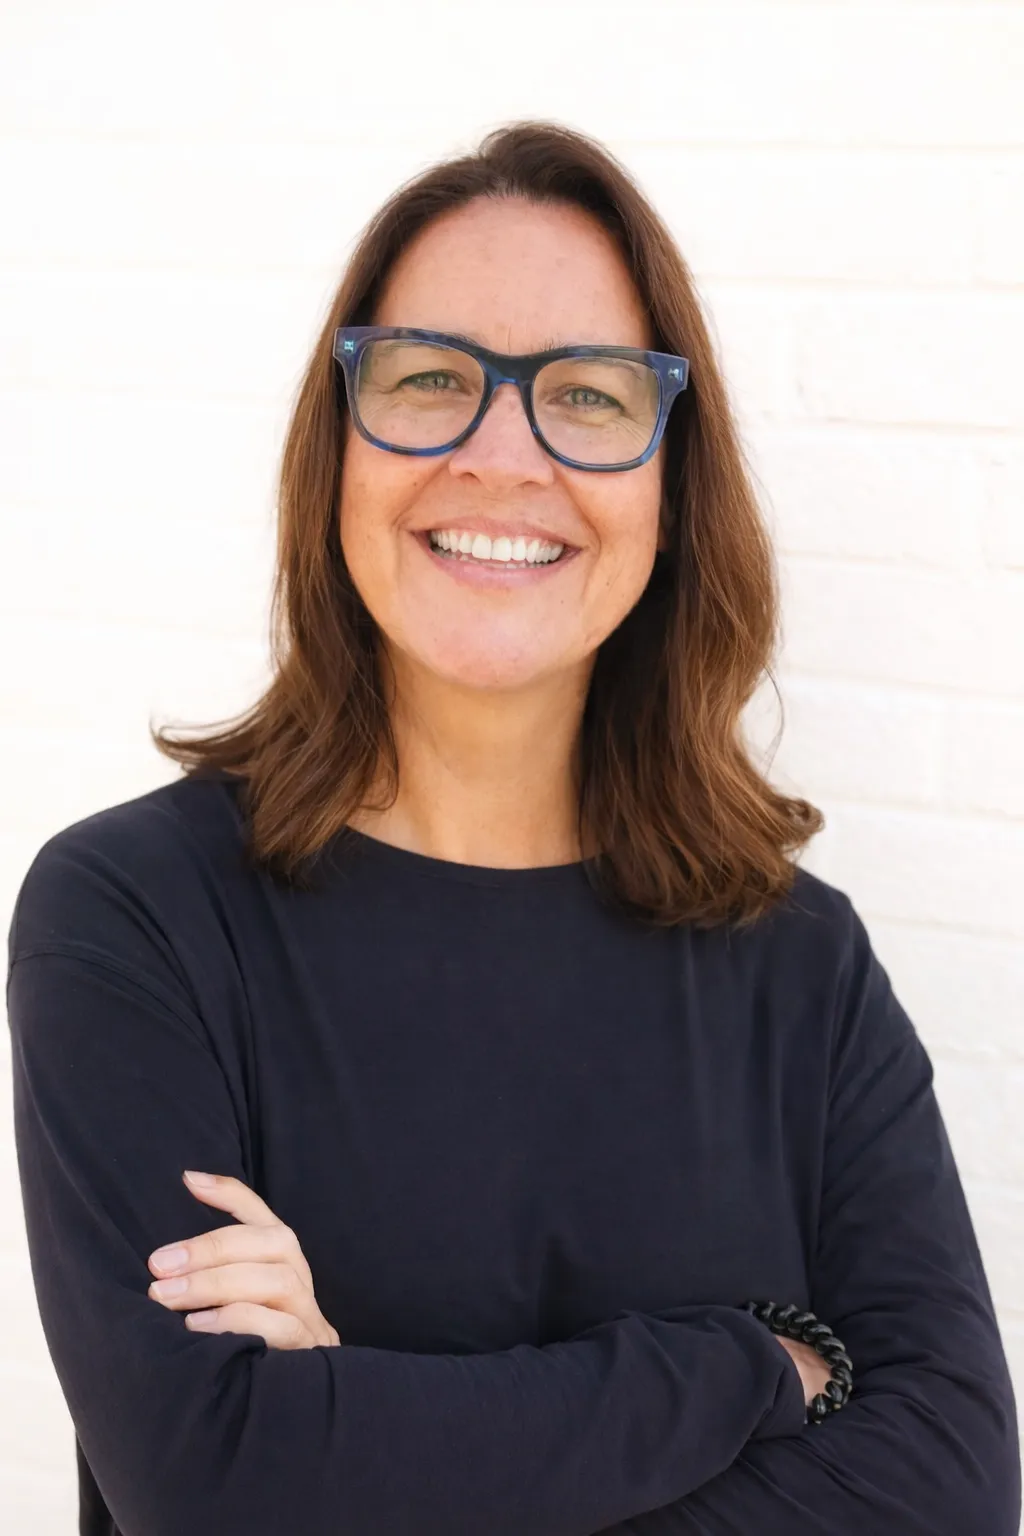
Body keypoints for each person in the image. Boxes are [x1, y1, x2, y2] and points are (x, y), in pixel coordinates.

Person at [6, 119, 1020, 1536]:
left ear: (670, 485)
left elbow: (957, 1492)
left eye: (588, 396)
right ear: (337, 450)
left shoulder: (801, 964)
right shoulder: (137, 918)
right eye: (429, 378)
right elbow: (217, 1486)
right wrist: (747, 1367)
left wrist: (357, 1420)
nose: (500, 455)